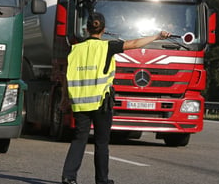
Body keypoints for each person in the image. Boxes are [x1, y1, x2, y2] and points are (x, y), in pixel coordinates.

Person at [61, 12, 171, 184]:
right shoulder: (107, 47)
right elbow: (134, 43)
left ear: (86, 28)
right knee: (101, 142)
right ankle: (102, 180)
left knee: (79, 139)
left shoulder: (75, 49)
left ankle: (68, 177)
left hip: (80, 103)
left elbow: (67, 76)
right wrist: (157, 35)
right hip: (101, 103)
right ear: (103, 30)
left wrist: (64, 99)